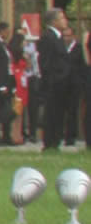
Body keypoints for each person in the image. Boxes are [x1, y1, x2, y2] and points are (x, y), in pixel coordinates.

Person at [38, 9, 70, 152]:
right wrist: (56, 78)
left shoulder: (58, 37)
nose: (65, 21)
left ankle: (56, 141)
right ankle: (50, 142)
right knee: (52, 113)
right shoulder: (48, 37)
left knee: (59, 113)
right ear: (54, 21)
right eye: (62, 18)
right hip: (53, 84)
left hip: (62, 84)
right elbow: (46, 63)